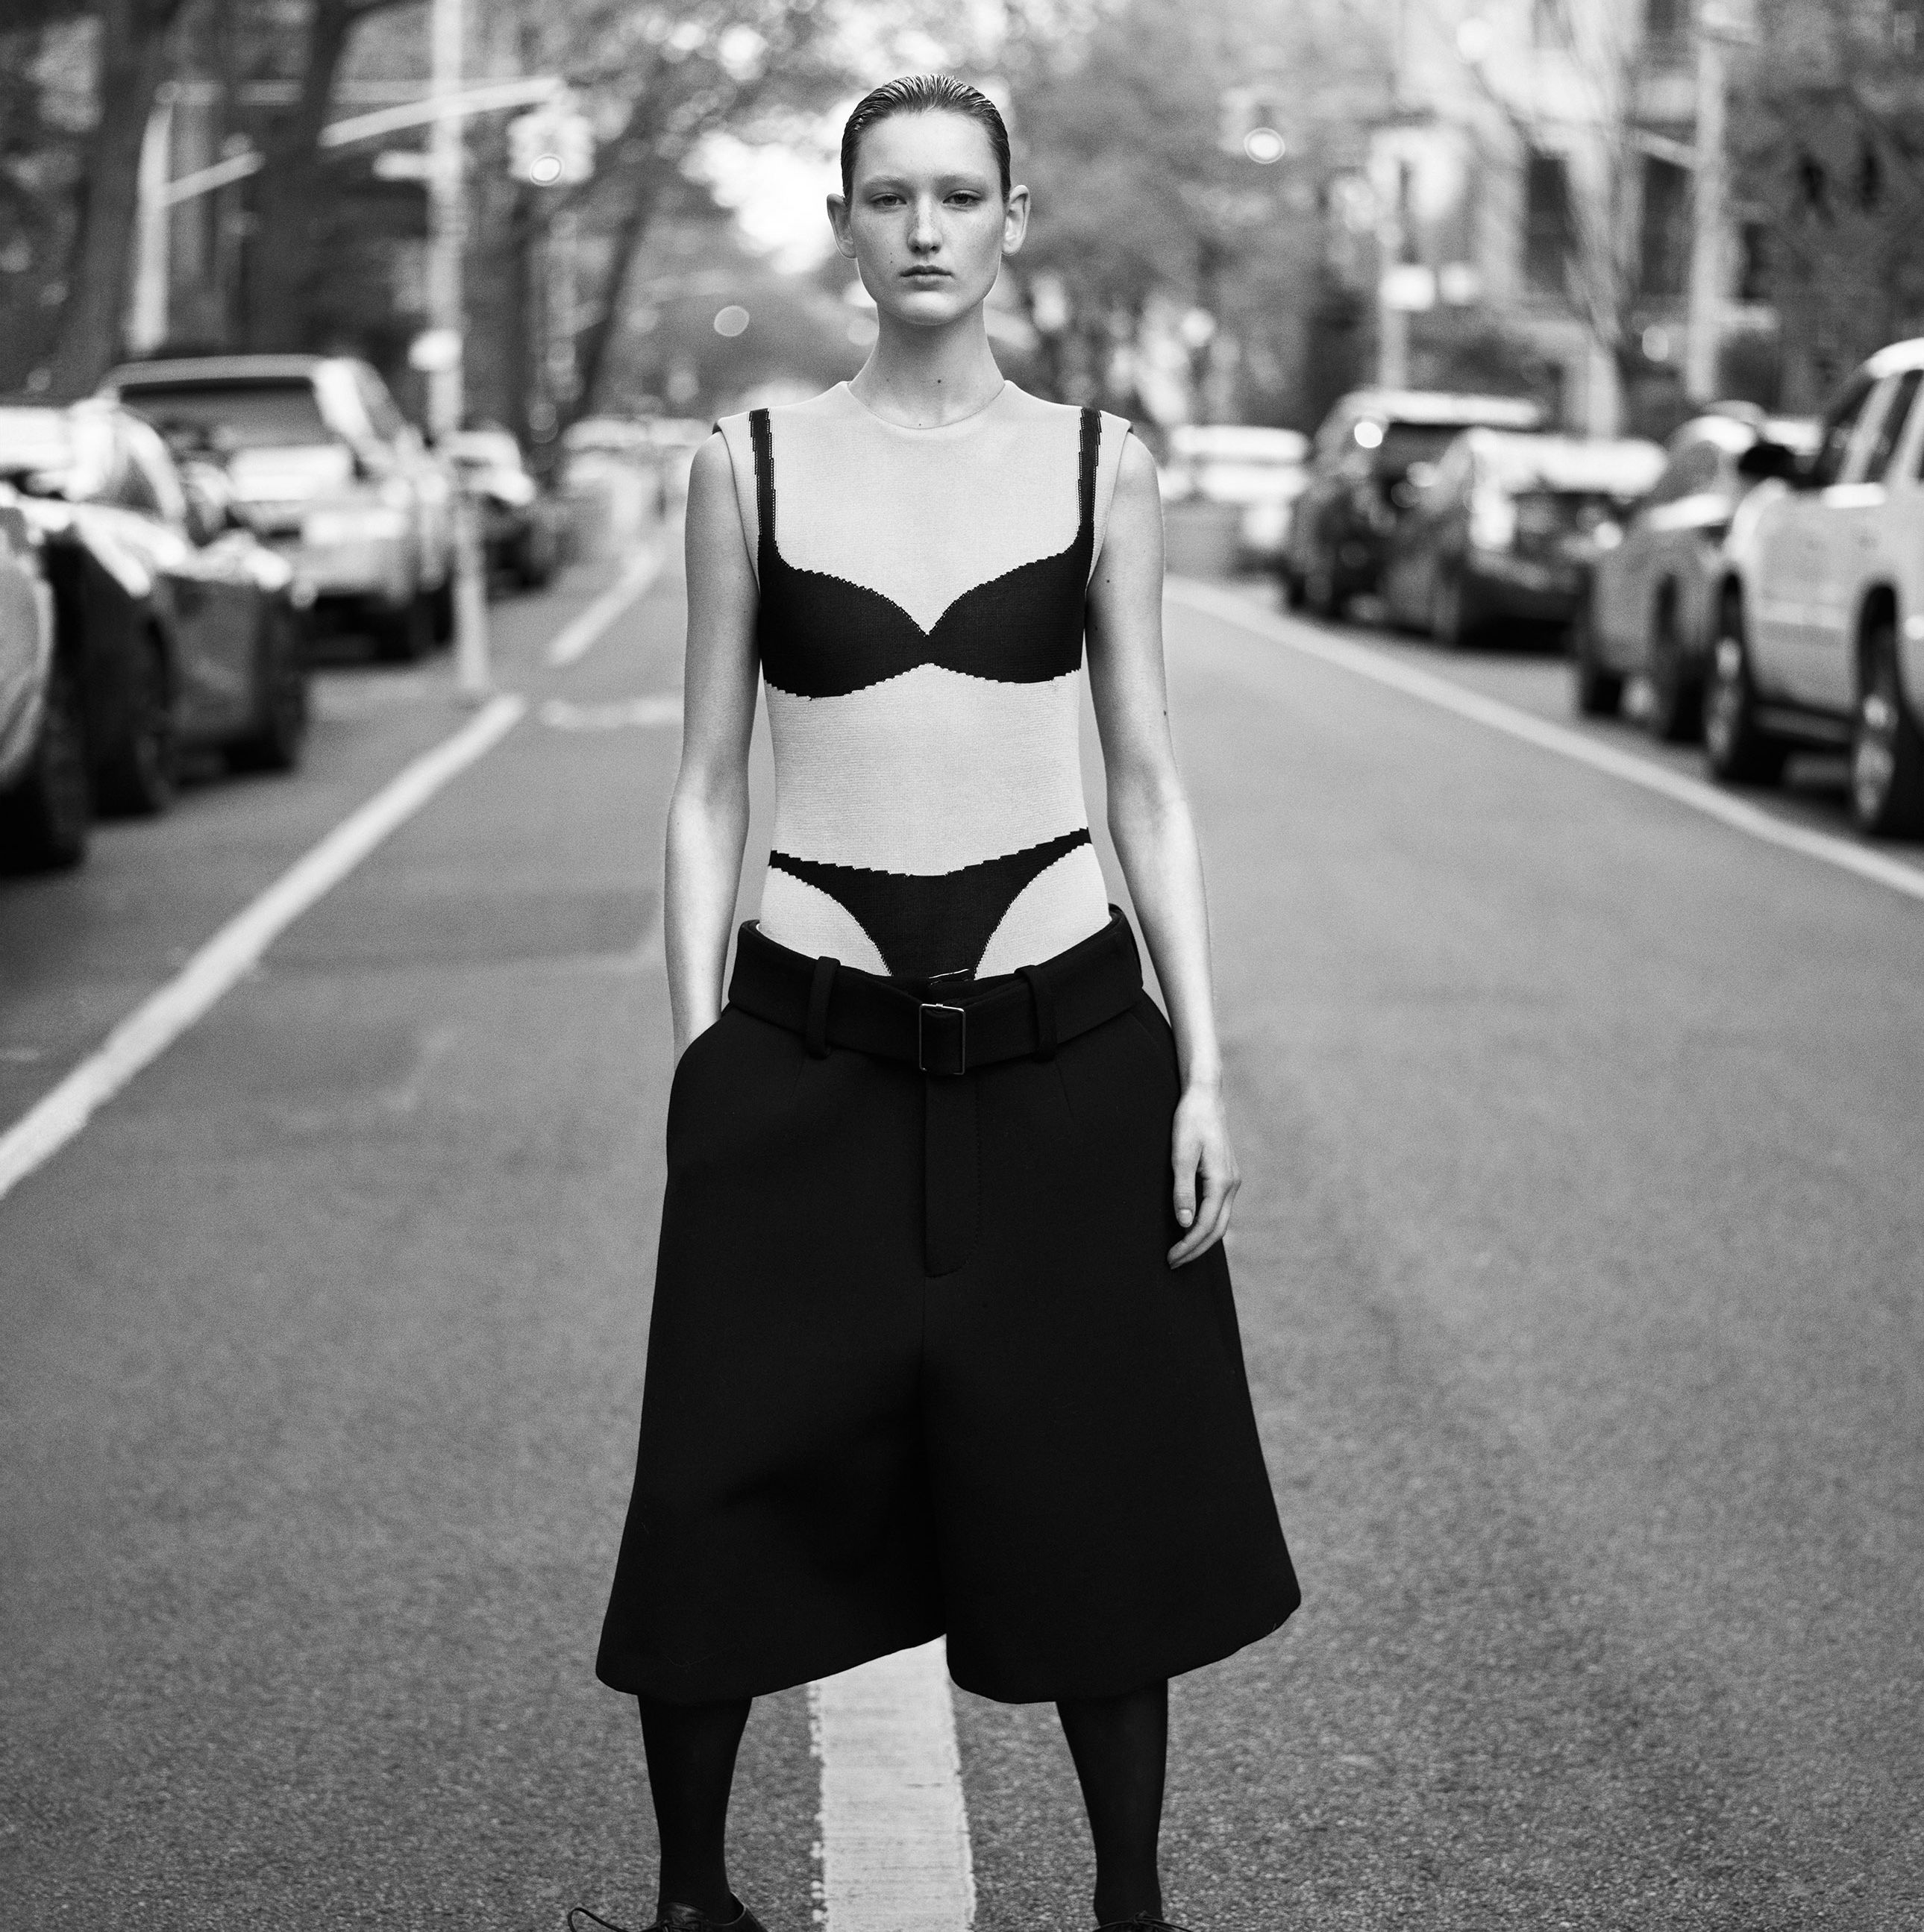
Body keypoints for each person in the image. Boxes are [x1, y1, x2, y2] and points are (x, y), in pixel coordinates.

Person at [584, 72, 1298, 1932]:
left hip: (1066, 1044)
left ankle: (1129, 1899)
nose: (921, 227)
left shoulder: (1098, 463)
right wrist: (699, 1067)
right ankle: (689, 1897)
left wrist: (1204, 1067)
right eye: (886, 195)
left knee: (1092, 1474)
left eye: (955, 195)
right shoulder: (742, 461)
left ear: (1011, 215)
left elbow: (1146, 781)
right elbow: (705, 785)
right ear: (844, 219)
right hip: (806, 1047)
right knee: (727, 1462)